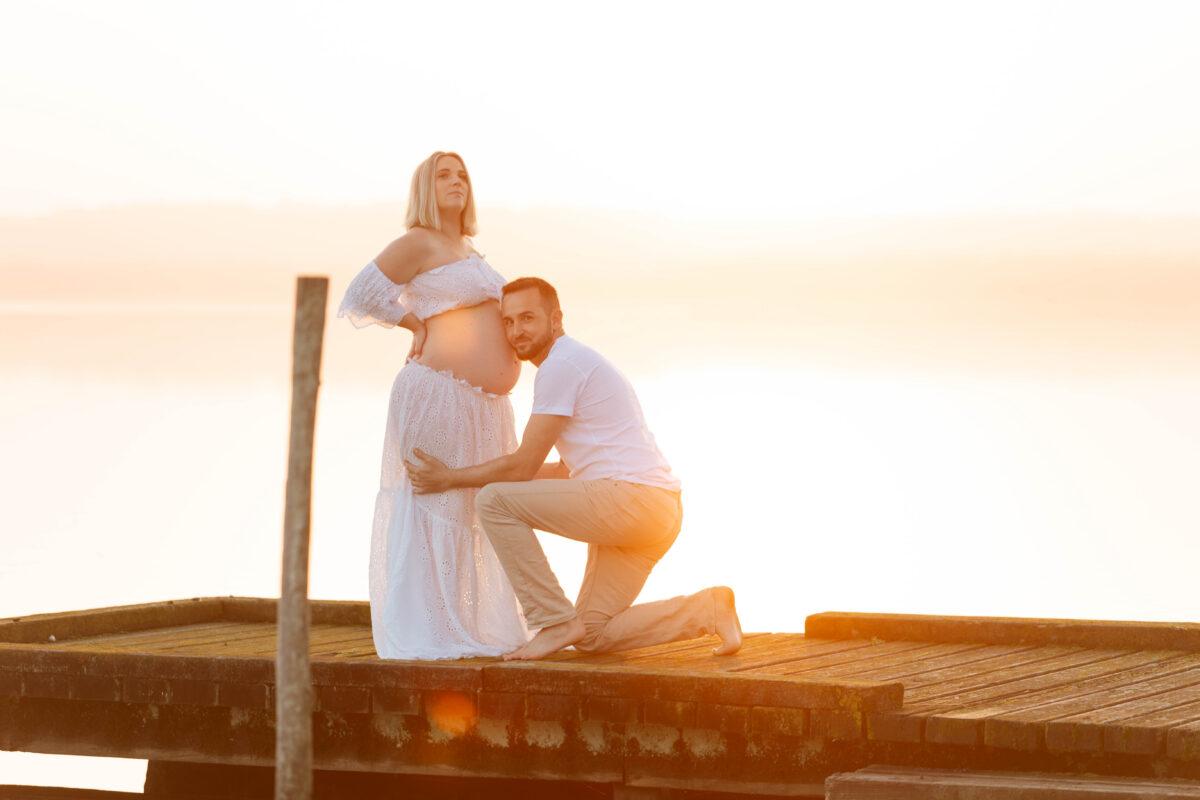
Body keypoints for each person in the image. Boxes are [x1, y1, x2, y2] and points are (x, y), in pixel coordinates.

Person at [406, 277, 742, 661]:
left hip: (633, 502)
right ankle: (709, 609)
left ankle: (552, 620)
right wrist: (483, 468)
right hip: (654, 511)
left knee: (494, 501)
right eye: (509, 322)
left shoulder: (561, 365)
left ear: (556, 318)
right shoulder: (574, 362)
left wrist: (450, 477)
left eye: (528, 318)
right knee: (592, 634)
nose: (517, 331)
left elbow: (522, 466)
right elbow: (562, 472)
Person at [336, 151, 529, 659]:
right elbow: (360, 295)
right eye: (444, 175)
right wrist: (414, 323)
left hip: (484, 406)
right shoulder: (418, 242)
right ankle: (430, 631)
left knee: (475, 510)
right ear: (425, 188)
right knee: (436, 506)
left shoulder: (468, 248)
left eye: (462, 175)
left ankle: (472, 625)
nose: (456, 182)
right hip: (438, 393)